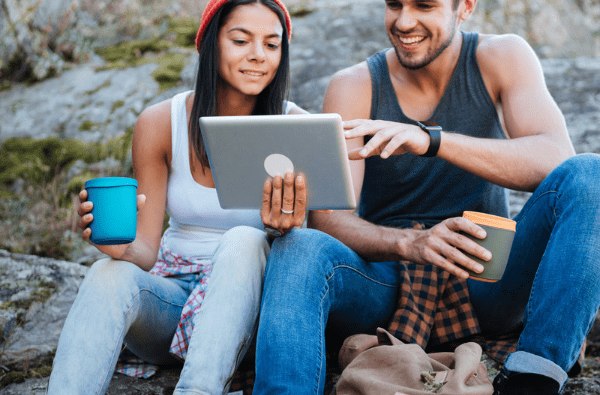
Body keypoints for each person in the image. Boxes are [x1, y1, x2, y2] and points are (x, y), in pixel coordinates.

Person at [252, 0, 600, 394]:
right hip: (389, 282)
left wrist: (431, 140)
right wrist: (412, 243)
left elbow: (556, 158)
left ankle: (533, 380)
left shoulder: (502, 55)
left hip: (485, 275)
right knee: (297, 245)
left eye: (424, 5)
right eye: (394, 4)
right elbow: (331, 221)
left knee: (591, 173)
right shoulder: (354, 85)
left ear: (464, 7)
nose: (404, 21)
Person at [47, 1, 308, 394]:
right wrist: (117, 248)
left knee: (243, 238)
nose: (258, 55)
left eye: (272, 45)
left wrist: (287, 230)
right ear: (208, 44)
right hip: (171, 303)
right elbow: (146, 251)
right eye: (241, 40)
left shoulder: (298, 129)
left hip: (250, 313)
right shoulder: (160, 123)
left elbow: (315, 253)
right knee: (106, 274)